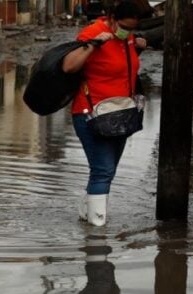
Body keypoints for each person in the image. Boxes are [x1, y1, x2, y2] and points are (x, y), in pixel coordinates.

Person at [62, 0, 147, 226]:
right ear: (111, 17)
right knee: (103, 169)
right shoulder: (93, 32)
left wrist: (137, 45)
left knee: (107, 171)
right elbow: (69, 66)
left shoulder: (127, 38)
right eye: (124, 27)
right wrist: (92, 45)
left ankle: (87, 210)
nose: (127, 32)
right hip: (91, 114)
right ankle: (97, 236)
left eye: (131, 28)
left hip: (120, 114)